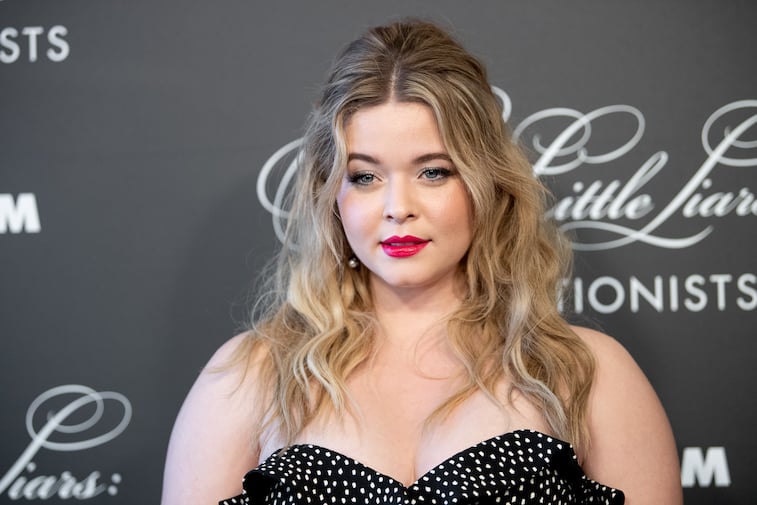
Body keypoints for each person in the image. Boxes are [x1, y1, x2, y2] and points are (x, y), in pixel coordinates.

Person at [161, 20, 682, 505]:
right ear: (331, 194)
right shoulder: (250, 375)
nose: (398, 207)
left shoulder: (587, 372)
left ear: (486, 182)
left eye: (433, 172)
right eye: (365, 176)